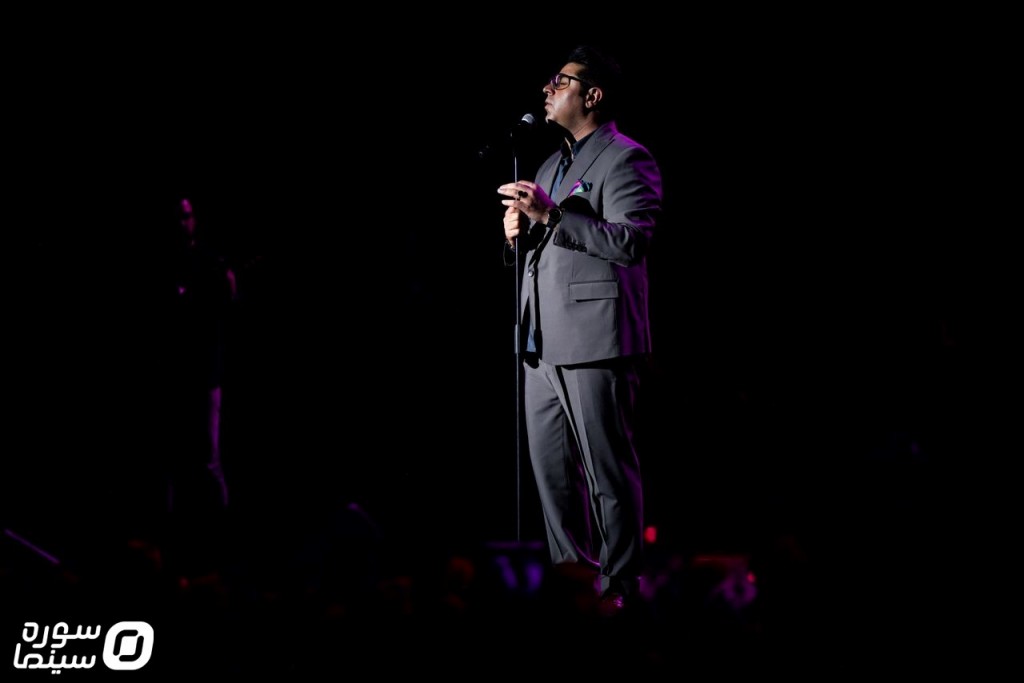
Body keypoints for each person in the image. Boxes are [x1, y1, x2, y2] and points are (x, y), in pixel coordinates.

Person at [497, 45, 663, 614]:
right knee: (552, 478)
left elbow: (630, 241)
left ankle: (619, 591)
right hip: (539, 341)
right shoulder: (549, 165)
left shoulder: (627, 158)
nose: (547, 90)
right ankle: (572, 586)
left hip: (595, 339)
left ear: (592, 96)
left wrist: (551, 215)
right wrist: (516, 235)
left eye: (560, 82)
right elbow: (546, 245)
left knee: (606, 472)